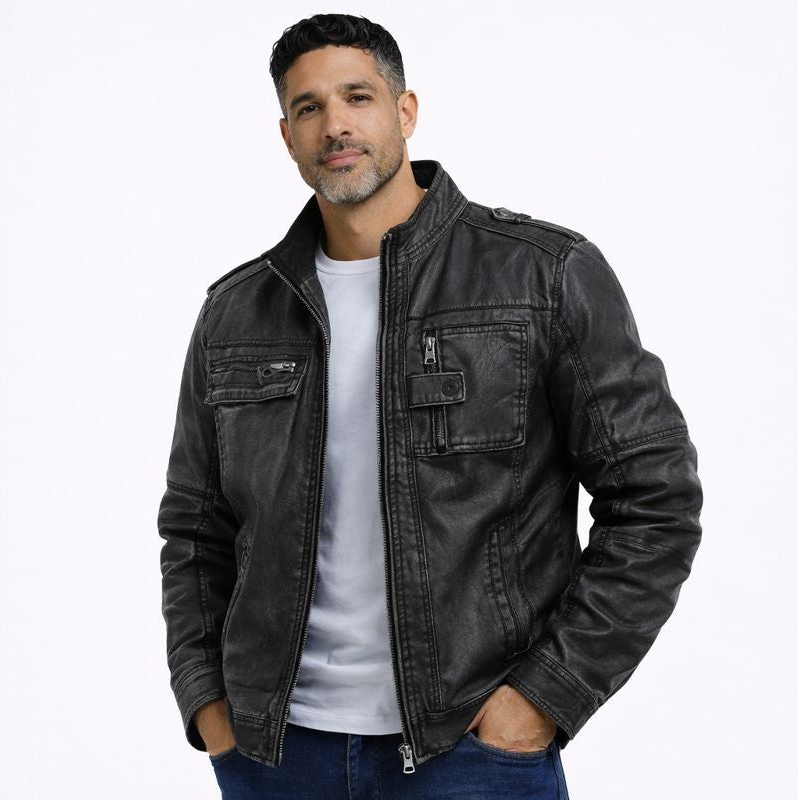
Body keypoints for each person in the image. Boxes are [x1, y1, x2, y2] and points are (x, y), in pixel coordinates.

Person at [158, 13, 703, 800]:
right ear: (287, 136)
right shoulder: (237, 311)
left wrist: (543, 698)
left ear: (405, 111)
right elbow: (195, 527)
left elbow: (655, 500)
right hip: (275, 756)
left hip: (470, 752)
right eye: (309, 108)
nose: (336, 125)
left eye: (358, 97)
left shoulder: (541, 276)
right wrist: (208, 704)